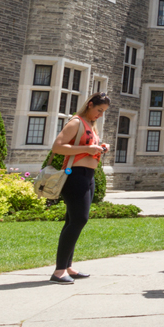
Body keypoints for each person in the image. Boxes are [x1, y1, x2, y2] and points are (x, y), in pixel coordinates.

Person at [49, 93, 111, 284]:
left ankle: (67, 266)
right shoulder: (76, 122)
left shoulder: (91, 124)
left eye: (103, 112)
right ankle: (58, 272)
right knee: (78, 220)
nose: (100, 115)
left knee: (73, 220)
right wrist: (87, 149)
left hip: (88, 176)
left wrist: (100, 147)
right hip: (75, 176)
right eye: (99, 110)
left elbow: (86, 147)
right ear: (90, 105)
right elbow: (57, 147)